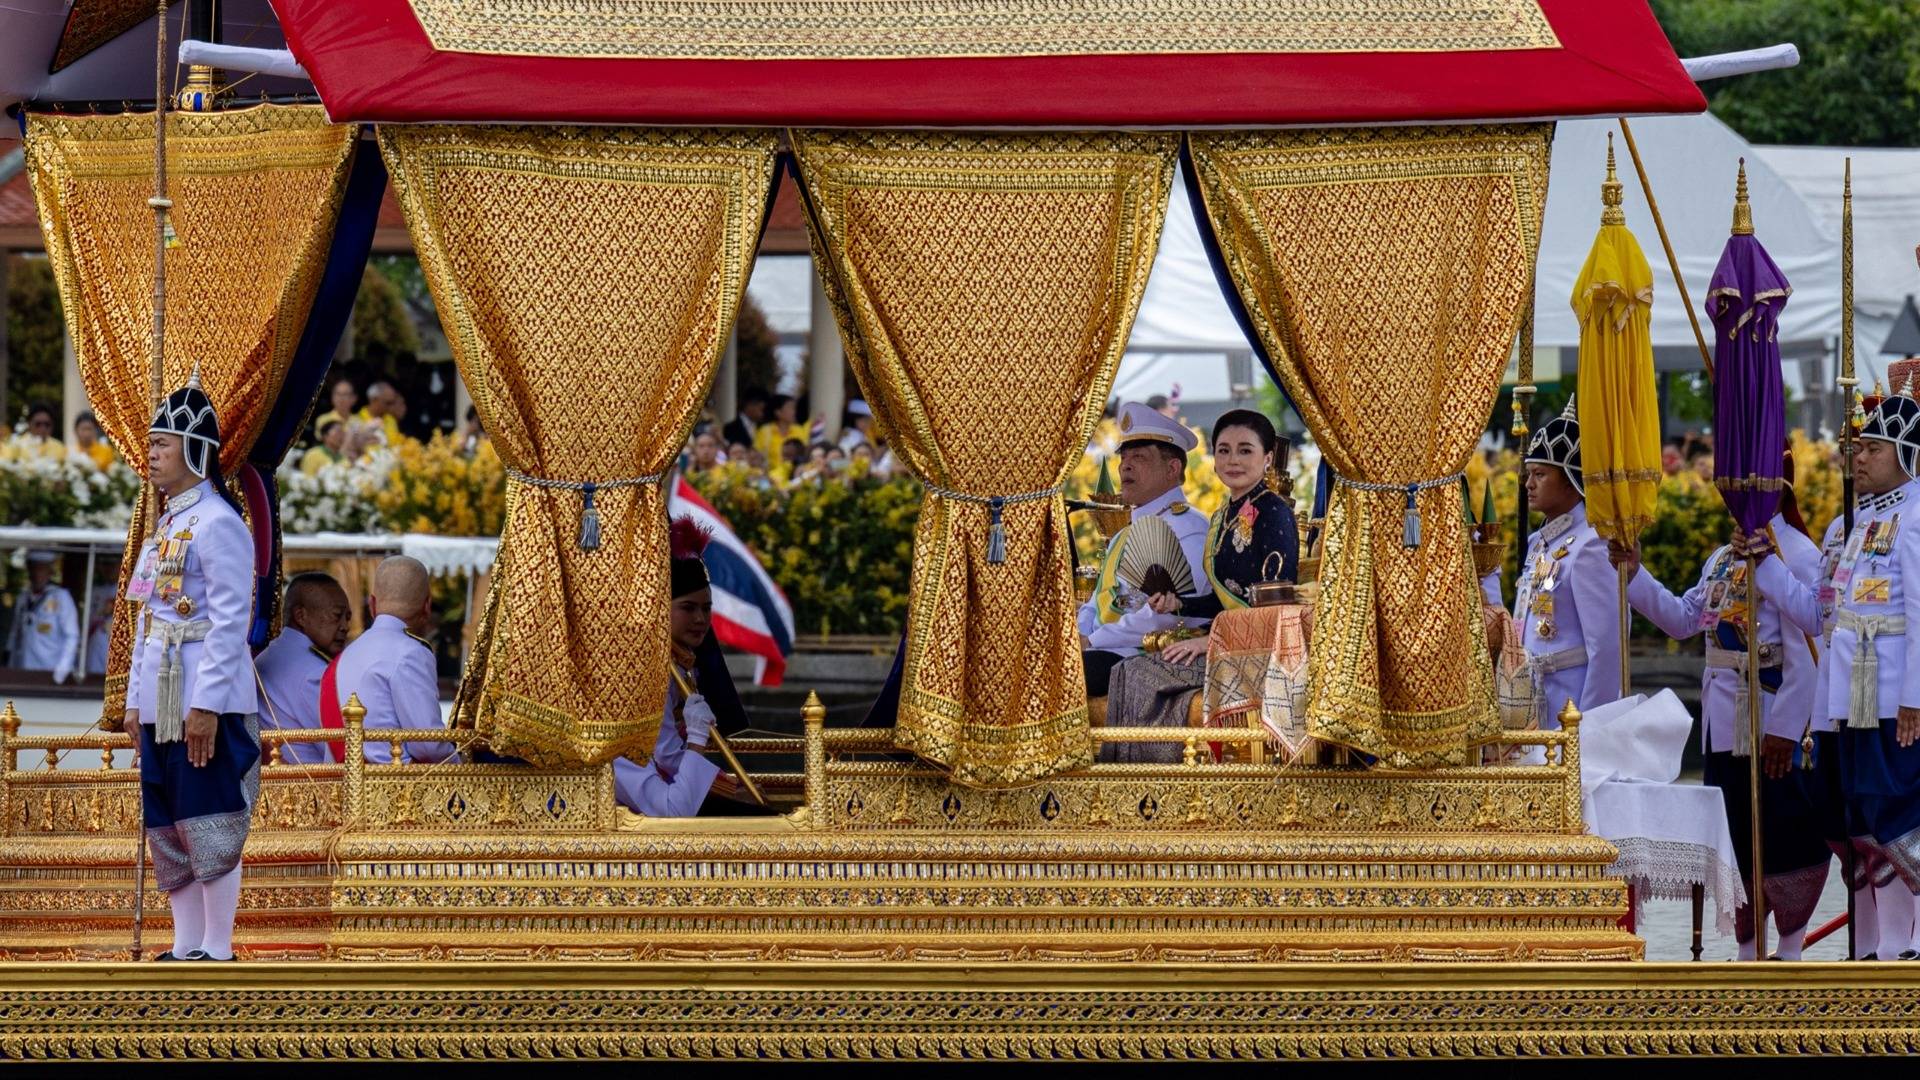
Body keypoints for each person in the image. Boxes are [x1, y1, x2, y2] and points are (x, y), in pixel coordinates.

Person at [1610, 449, 1830, 960]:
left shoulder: (1795, 553)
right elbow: (1686, 620)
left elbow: (1806, 652)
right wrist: (1636, 574)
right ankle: (1748, 947)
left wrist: (1787, 727)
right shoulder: (1721, 558)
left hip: (1769, 718)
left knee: (1786, 835)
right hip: (1723, 720)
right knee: (1735, 841)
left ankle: (1792, 949)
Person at [1753, 382, 1920, 959]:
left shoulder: (1917, 515)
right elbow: (1821, 617)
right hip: (1845, 696)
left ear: (1906, 453)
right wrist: (1766, 567)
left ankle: (1902, 944)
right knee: (1849, 818)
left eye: (1873, 448)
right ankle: (1870, 945)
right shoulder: (1847, 526)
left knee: (1892, 814)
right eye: (1858, 448)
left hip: (1890, 693)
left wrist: (1915, 698)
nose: (1860, 458)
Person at [122, 367, 260, 962]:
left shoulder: (221, 524)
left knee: (208, 814)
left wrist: (205, 703)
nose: (150, 454)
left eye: (161, 444)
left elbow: (231, 622)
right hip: (161, 694)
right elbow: (147, 618)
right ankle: (184, 944)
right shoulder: (166, 527)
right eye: (151, 443)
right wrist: (133, 699)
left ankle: (217, 946)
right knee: (169, 819)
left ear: (194, 451)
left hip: (206, 695)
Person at [1102, 410, 1299, 759]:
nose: (1232, 460)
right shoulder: (1225, 515)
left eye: (1244, 450)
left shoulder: (1273, 512)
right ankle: (1130, 777)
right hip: (1224, 641)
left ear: (1267, 458)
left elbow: (1275, 608)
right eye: (1223, 450)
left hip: (1258, 650)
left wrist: (1209, 640)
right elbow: (1220, 598)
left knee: (1138, 673)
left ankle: (1153, 776)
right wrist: (1179, 604)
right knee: (1128, 670)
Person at [1076, 401, 1211, 698]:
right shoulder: (1124, 532)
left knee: (1066, 677)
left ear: (1172, 468)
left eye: (1139, 456)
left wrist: (1094, 640)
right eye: (1124, 457)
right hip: (1104, 649)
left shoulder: (1189, 526)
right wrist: (1077, 636)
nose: (1125, 465)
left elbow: (1169, 614)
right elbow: (1098, 601)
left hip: (1142, 655)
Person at [613, 519, 746, 815]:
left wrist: (731, 789)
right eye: (688, 608)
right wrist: (727, 788)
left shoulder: (682, 663)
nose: (700, 619)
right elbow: (667, 756)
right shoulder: (647, 672)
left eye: (706, 608)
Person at [1507, 397, 1620, 726]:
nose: (1528, 484)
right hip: (1533, 701)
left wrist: (1590, 728)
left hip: (1570, 710)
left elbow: (1607, 649)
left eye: (1540, 474)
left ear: (1571, 479)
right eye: (1529, 474)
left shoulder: (1591, 546)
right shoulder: (1538, 542)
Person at [327, 556, 455, 765]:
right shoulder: (411, 652)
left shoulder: (346, 656)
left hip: (343, 786)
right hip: (398, 791)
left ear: (372, 604)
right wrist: (463, 765)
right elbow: (429, 746)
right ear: (427, 606)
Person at [253, 573, 351, 766]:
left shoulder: (269, 655)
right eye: (337, 616)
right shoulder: (313, 673)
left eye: (347, 618)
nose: (345, 627)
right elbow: (342, 748)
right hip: (313, 785)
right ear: (301, 616)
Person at [8, 551, 78, 683]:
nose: (36, 574)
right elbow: (15, 634)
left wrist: (61, 671)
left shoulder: (61, 597)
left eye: (41, 569)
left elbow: (71, 636)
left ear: (50, 571)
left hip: (49, 671)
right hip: (22, 670)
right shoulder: (23, 597)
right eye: (33, 568)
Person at [752, 394, 808, 466]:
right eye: (790, 408)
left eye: (794, 408)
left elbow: (805, 454)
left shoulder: (799, 430)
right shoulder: (765, 431)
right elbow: (756, 456)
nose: (794, 412)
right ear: (778, 412)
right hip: (770, 475)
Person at [356, 381, 404, 447]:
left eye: (392, 402)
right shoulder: (357, 419)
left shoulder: (391, 420)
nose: (391, 407)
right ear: (374, 400)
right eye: (388, 403)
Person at [312, 377, 358, 443]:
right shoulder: (323, 420)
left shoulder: (359, 421)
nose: (341, 398)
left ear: (354, 398)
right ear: (332, 397)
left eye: (345, 394)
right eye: (338, 394)